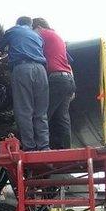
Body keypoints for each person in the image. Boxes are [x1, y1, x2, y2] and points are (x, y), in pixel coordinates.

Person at [0, 16, 49, 151]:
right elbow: (25, 51)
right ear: (30, 25)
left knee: (24, 110)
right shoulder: (37, 36)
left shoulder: (13, 31)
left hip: (22, 69)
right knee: (41, 112)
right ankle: (44, 147)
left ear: (18, 23)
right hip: (41, 70)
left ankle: (29, 147)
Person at [32, 18, 76, 150]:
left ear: (38, 27)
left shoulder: (42, 33)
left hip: (56, 80)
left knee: (42, 113)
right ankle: (65, 148)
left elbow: (26, 45)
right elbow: (68, 63)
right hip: (67, 80)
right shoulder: (57, 38)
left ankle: (38, 146)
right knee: (62, 117)